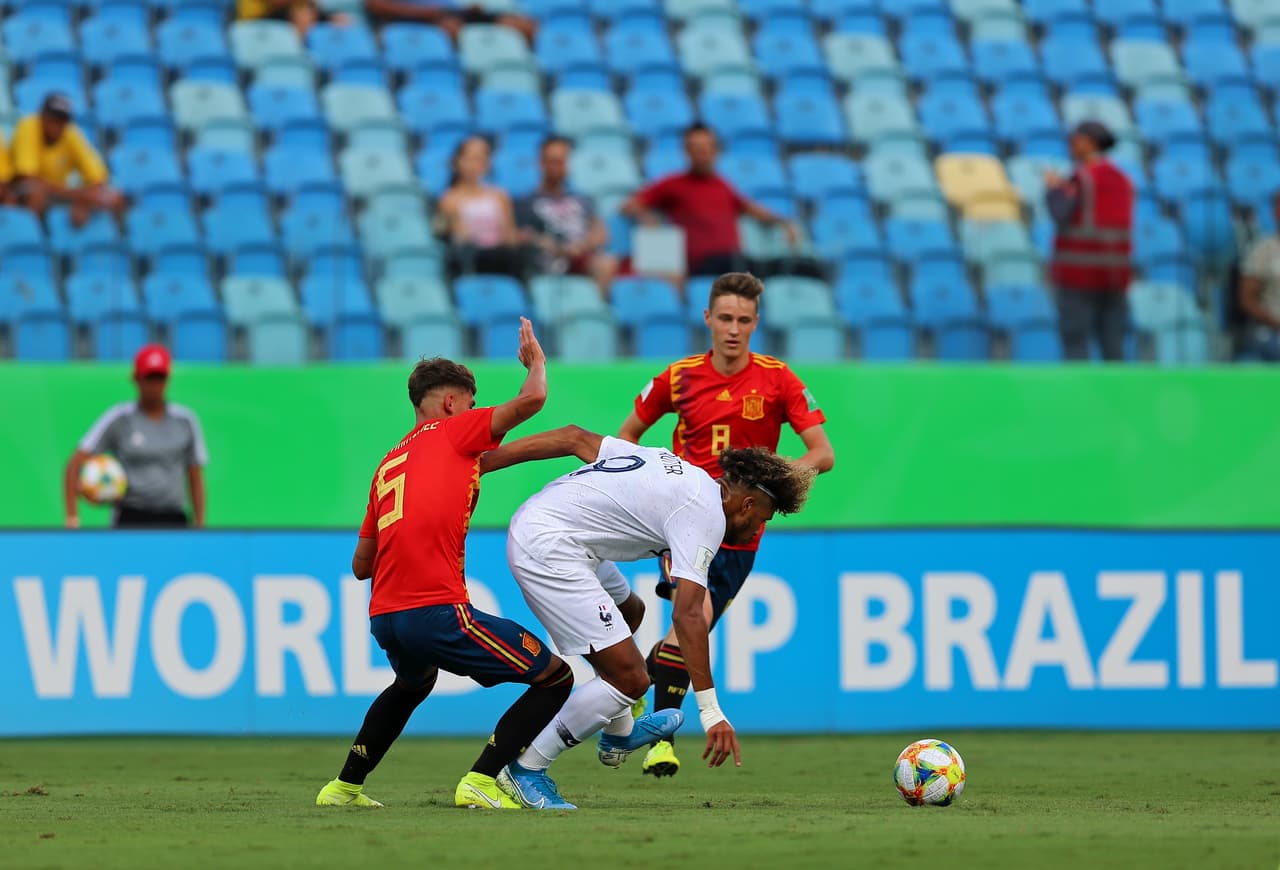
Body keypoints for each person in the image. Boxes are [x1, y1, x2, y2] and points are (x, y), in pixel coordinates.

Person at [316, 321, 589, 811]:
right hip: (437, 612)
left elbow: (362, 565)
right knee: (555, 677)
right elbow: (531, 402)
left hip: (386, 617)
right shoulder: (455, 430)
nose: (474, 410)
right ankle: (482, 779)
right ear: (448, 404)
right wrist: (537, 364)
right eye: (470, 400)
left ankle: (343, 787)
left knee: (413, 683)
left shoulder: (388, 464)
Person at [491, 432, 816, 810]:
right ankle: (526, 771)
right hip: (549, 545)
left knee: (632, 612)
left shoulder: (682, 471)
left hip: (559, 531)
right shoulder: (706, 517)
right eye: (762, 519)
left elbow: (572, 438)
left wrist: (484, 464)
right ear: (746, 504)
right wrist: (711, 712)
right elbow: (689, 614)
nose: (759, 528)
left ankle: (618, 732)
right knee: (631, 678)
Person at [617, 271, 835, 778]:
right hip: (682, 520)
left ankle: (628, 691)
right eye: (725, 319)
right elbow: (628, 435)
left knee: (687, 635)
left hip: (741, 532)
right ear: (707, 319)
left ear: (755, 323)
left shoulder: (780, 379)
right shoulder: (678, 377)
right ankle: (660, 743)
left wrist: (778, 479)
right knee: (691, 614)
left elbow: (823, 453)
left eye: (743, 320)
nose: (733, 329)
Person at [621, 123, 798, 278]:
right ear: (686, 151)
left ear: (716, 151)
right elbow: (630, 206)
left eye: (707, 147)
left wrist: (783, 222)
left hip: (734, 260)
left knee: (796, 268)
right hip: (702, 264)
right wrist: (646, 216)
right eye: (696, 148)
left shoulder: (723, 185)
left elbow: (751, 208)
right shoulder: (673, 184)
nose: (703, 153)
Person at [63, 345, 208, 529]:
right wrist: (72, 517)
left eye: (160, 378)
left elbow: (195, 476)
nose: (155, 385)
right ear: (136, 379)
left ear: (168, 380)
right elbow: (74, 465)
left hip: (174, 518)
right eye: (149, 378)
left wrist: (200, 525)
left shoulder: (185, 420)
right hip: (131, 516)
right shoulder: (119, 419)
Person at [1044, 120, 1136, 362]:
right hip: (1115, 275)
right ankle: (1114, 400)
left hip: (1079, 276)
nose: (1071, 146)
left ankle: (1080, 399)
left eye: (1075, 141)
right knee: (1113, 347)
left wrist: (1053, 189)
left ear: (1089, 143)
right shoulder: (1123, 180)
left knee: (1076, 344)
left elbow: (1060, 214)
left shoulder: (1081, 179)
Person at [515, 136, 617, 295]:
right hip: (550, 261)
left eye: (563, 161)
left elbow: (601, 233)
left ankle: (598, 313)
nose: (559, 166)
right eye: (554, 161)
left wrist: (582, 246)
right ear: (541, 163)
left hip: (583, 257)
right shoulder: (526, 202)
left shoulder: (583, 199)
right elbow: (521, 236)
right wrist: (556, 247)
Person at [11, 94, 126, 228]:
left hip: (60, 193)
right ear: (42, 115)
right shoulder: (28, 125)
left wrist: (83, 202)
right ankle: (31, 241)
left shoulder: (71, 133)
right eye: (52, 119)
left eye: (62, 120)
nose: (57, 125)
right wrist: (79, 196)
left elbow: (98, 178)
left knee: (115, 197)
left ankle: (109, 243)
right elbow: (28, 178)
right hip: (22, 192)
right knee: (35, 193)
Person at [438, 135, 529, 279]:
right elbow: (457, 235)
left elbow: (509, 233)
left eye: (480, 158)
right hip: (472, 257)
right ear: (458, 161)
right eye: (470, 158)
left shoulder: (500, 195)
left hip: (501, 256)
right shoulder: (449, 199)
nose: (475, 164)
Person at [364, 0, 536, 43]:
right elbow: (374, 5)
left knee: (524, 25)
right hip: (421, 18)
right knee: (451, 29)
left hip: (454, 12)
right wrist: (426, 13)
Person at [1238, 191, 1280, 361]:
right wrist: (1275, 322)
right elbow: (1247, 300)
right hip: (1272, 331)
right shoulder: (1262, 250)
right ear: (1275, 213)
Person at [236, 0, 348, 35]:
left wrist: (328, 18)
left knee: (305, 14)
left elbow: (311, 6)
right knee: (301, 15)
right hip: (254, 26)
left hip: (282, 21)